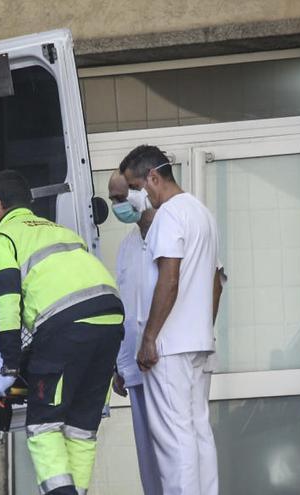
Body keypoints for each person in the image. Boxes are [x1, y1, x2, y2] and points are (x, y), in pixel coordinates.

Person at [0, 170, 124, 495]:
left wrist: (11, 365)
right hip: (110, 321)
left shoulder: (3, 238)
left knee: (44, 426)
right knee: (80, 430)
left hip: (66, 326)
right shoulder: (60, 231)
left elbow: (6, 304)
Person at [120, 145, 223, 495]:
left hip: (169, 346)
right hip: (196, 342)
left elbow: (169, 277)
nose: (136, 196)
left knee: (172, 438)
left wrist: (149, 338)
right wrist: (204, 328)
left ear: (154, 177)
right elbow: (214, 283)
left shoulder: (169, 215)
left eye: (136, 187)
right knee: (197, 432)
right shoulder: (202, 213)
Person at [107, 171, 162, 495]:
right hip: (136, 369)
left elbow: (212, 282)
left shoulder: (173, 232)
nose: (116, 206)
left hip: (165, 363)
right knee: (149, 463)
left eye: (119, 197)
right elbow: (126, 307)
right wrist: (120, 365)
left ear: (141, 191)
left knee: (174, 456)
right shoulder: (127, 246)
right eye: (112, 199)